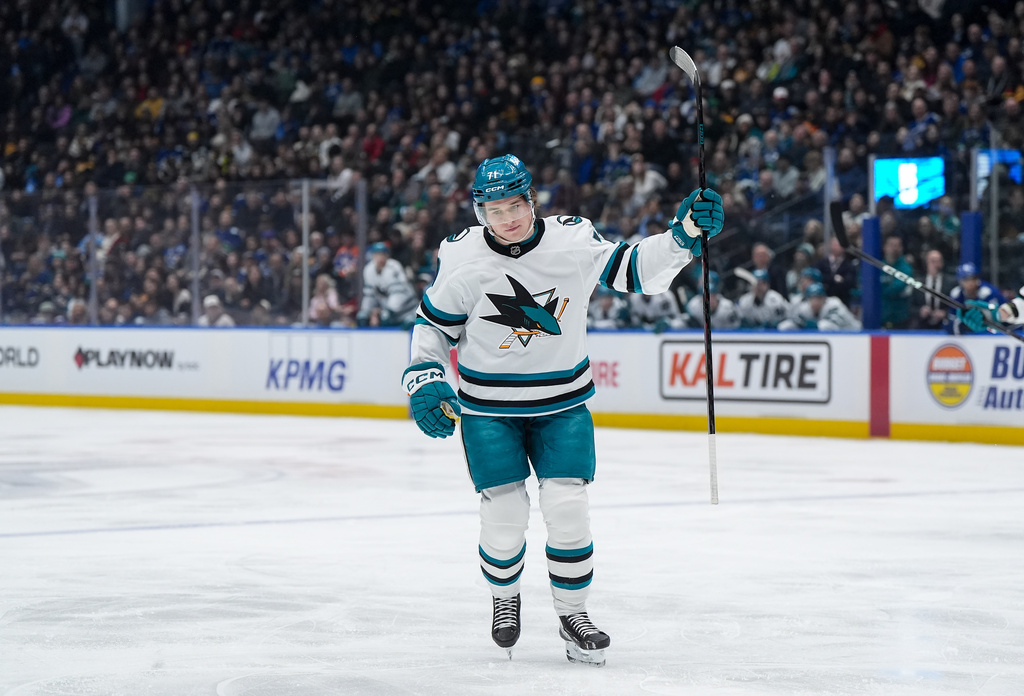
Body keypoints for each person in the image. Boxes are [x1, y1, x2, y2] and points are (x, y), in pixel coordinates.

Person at [400, 154, 724, 666]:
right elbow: (434, 326)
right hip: (489, 412)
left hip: (563, 406)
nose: (507, 218)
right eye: (493, 209)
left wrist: (683, 234)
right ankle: (505, 598)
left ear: (531, 200)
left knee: (569, 511)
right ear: (480, 212)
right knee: (504, 519)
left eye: (514, 205)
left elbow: (634, 270)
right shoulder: (461, 257)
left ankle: (574, 614)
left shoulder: (572, 241)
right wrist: (425, 377)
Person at [357, 242, 418, 327]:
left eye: (382, 254)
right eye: (377, 254)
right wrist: (365, 311)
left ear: (387, 255)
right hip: (389, 310)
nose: (380, 257)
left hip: (407, 309)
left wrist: (386, 311)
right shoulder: (369, 269)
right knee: (364, 318)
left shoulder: (394, 267)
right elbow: (369, 295)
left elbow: (399, 295)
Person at [951, 263, 1008, 334]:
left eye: (973, 279)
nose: (970, 283)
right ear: (960, 281)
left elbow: (999, 315)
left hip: (998, 332)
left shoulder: (989, 292)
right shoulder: (956, 295)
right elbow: (952, 318)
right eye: (966, 280)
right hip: (970, 337)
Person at [778, 282, 861, 331]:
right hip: (837, 339)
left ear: (824, 299)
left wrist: (812, 324)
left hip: (854, 333)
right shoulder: (805, 307)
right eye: (813, 298)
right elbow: (794, 321)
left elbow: (833, 326)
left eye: (819, 298)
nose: (816, 301)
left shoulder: (834, 305)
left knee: (823, 325)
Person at [910, 249, 954, 330]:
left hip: (944, 326)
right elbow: (910, 307)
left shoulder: (951, 283)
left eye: (938, 261)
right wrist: (920, 311)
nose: (936, 264)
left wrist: (945, 313)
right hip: (922, 326)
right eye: (933, 261)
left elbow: (956, 305)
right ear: (927, 263)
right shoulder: (918, 283)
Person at [879, 234, 913, 329]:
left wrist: (878, 290)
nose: (895, 248)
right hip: (880, 318)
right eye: (891, 245)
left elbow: (896, 288)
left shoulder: (906, 268)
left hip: (900, 319)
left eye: (897, 245)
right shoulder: (877, 265)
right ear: (884, 247)